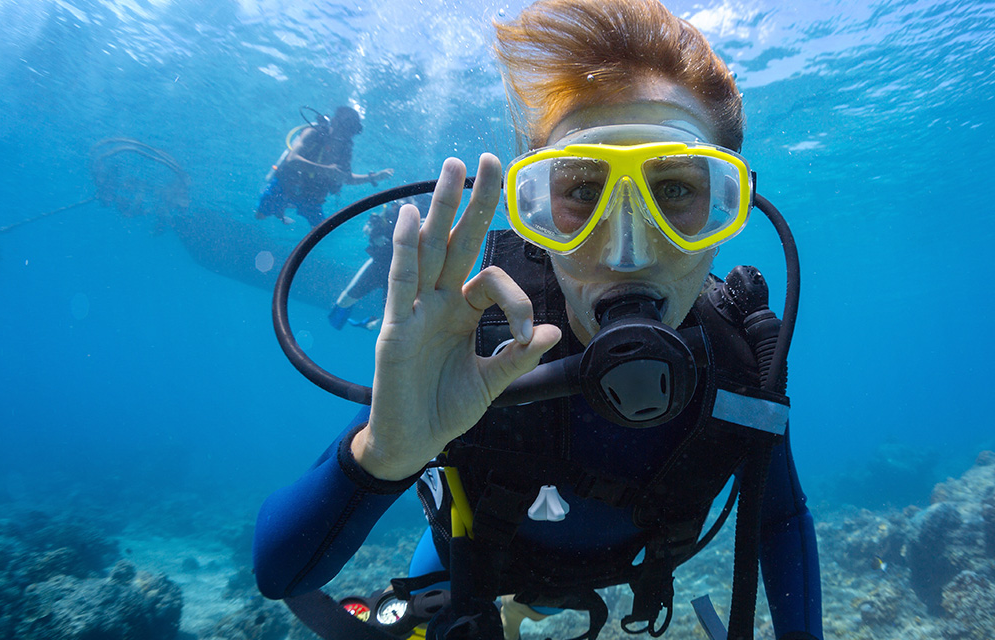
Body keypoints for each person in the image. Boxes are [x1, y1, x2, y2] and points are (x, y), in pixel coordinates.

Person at [253, 2, 823, 640]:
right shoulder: (478, 336)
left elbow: (779, 520)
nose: (626, 251)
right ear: (536, 214)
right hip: (470, 571)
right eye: (582, 191)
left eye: (676, 191)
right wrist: (383, 455)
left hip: (616, 575)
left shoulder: (742, 364)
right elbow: (279, 574)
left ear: (730, 206)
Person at [255, 106, 395, 226]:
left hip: (312, 198)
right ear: (334, 121)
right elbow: (291, 160)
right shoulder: (314, 133)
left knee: (320, 232)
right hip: (286, 187)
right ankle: (281, 211)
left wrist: (373, 177)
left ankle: (284, 209)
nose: (346, 133)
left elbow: (346, 178)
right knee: (259, 216)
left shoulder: (345, 150)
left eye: (352, 130)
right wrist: (326, 170)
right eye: (345, 125)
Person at [328, 196, 430, 330]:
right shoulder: (392, 210)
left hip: (403, 274)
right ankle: (340, 320)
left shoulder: (430, 224)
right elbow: (369, 227)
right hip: (378, 265)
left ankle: (367, 324)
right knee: (343, 302)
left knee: (389, 321)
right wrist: (373, 232)